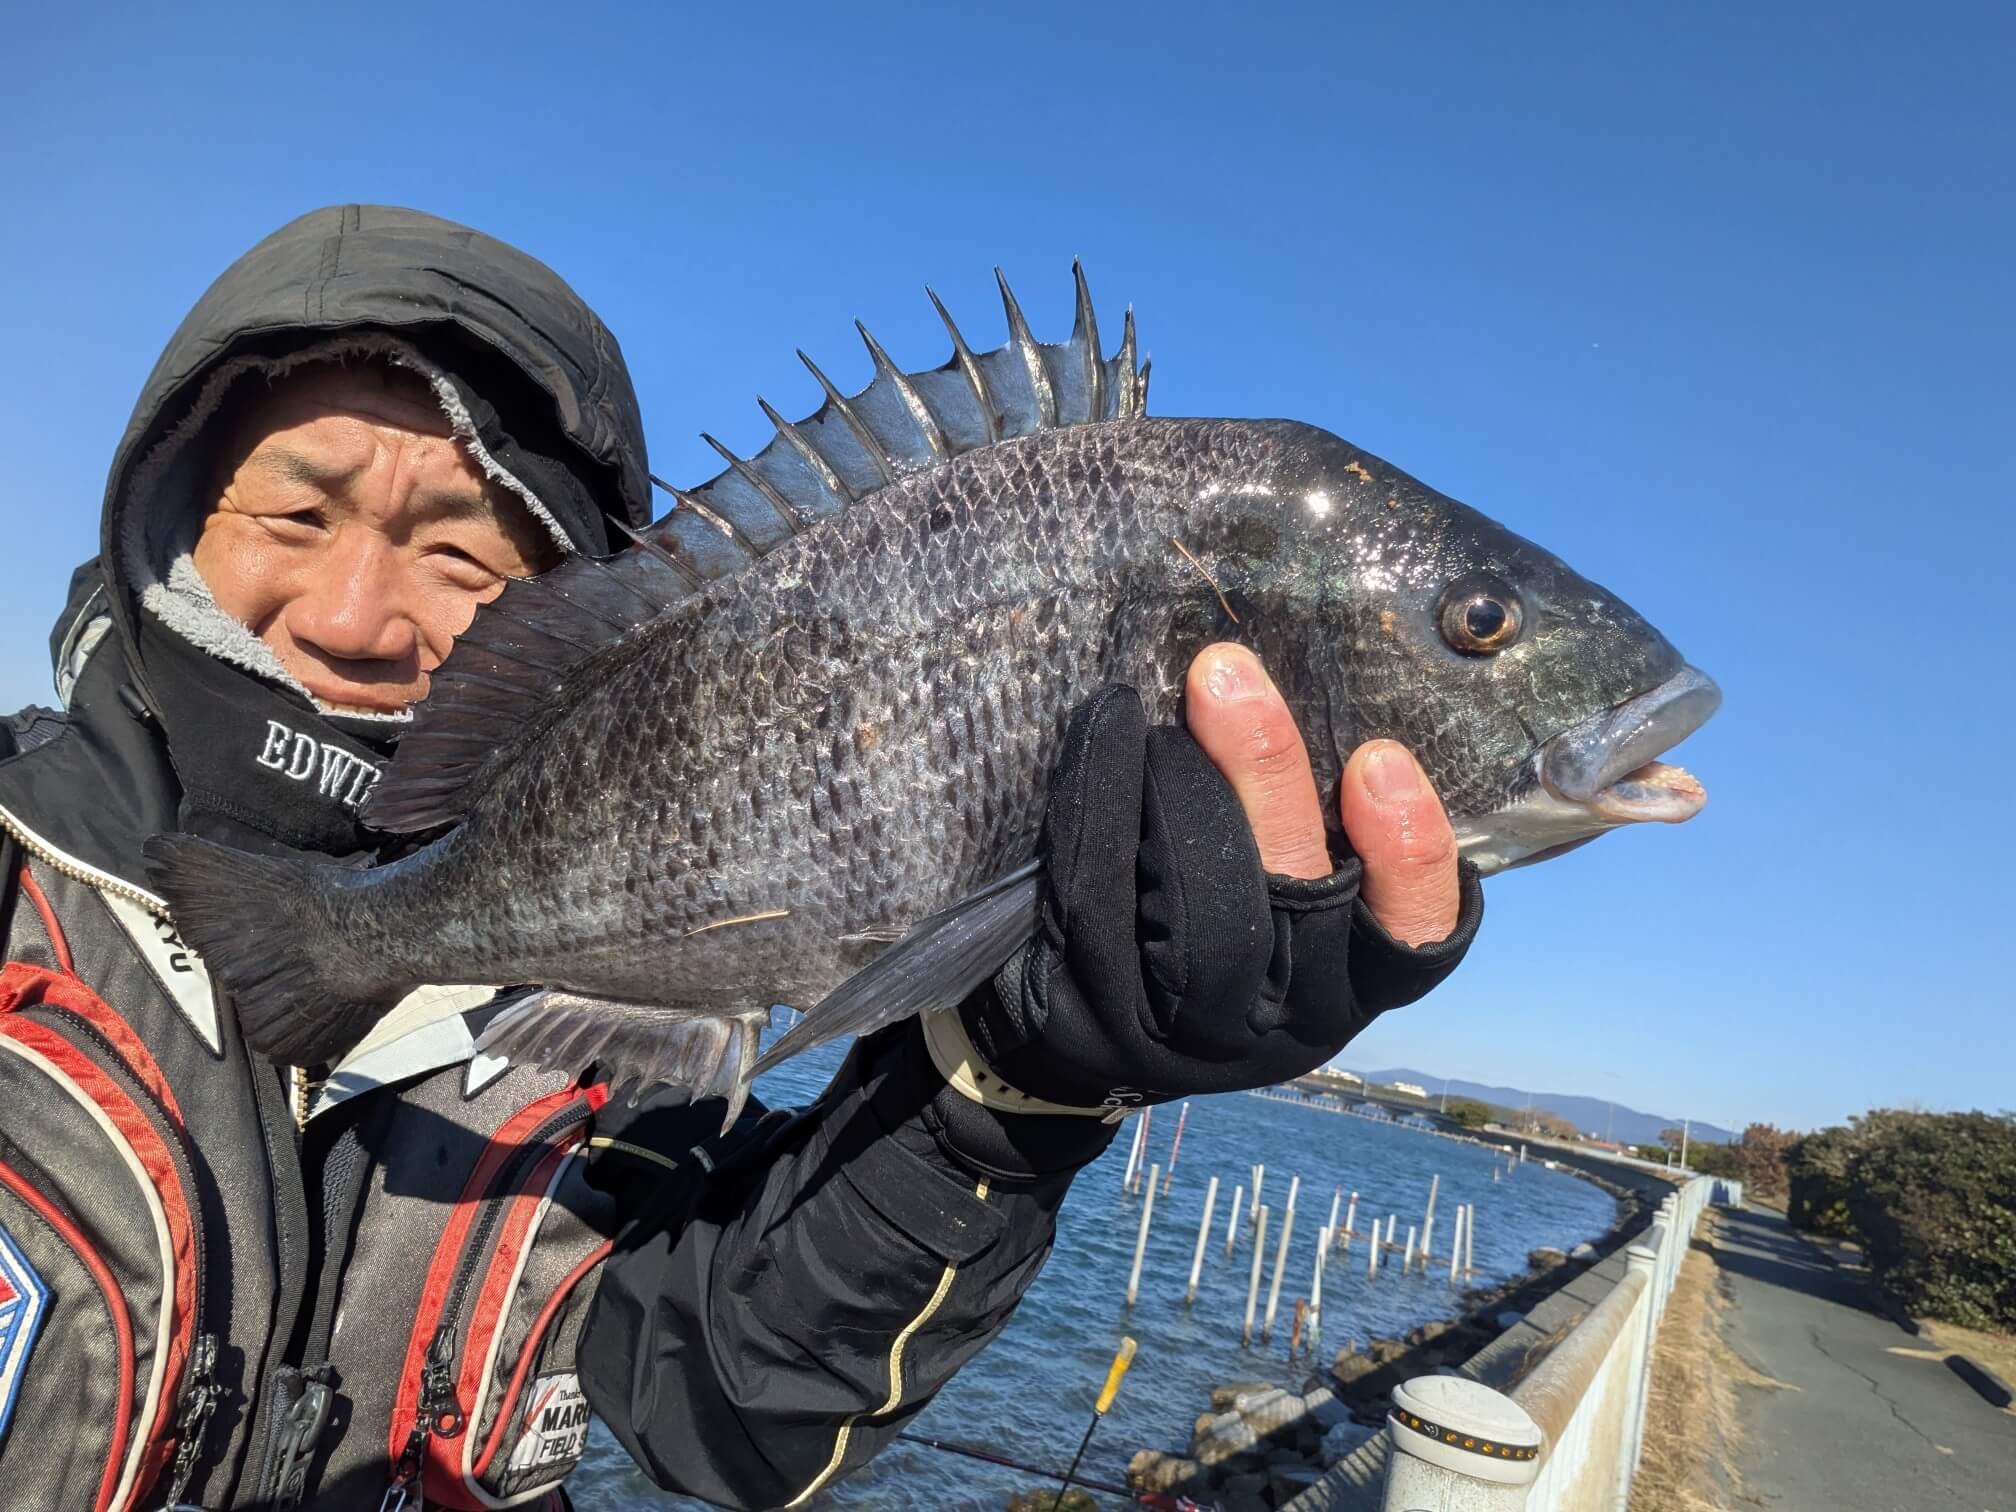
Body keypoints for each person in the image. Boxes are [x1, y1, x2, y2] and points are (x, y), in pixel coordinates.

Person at [0, 205, 1480, 1510]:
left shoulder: (584, 1064)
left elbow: (726, 1409)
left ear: (567, 632)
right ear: (165, 523)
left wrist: (1011, 1092)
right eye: (296, 511)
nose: (354, 611)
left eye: (461, 553)